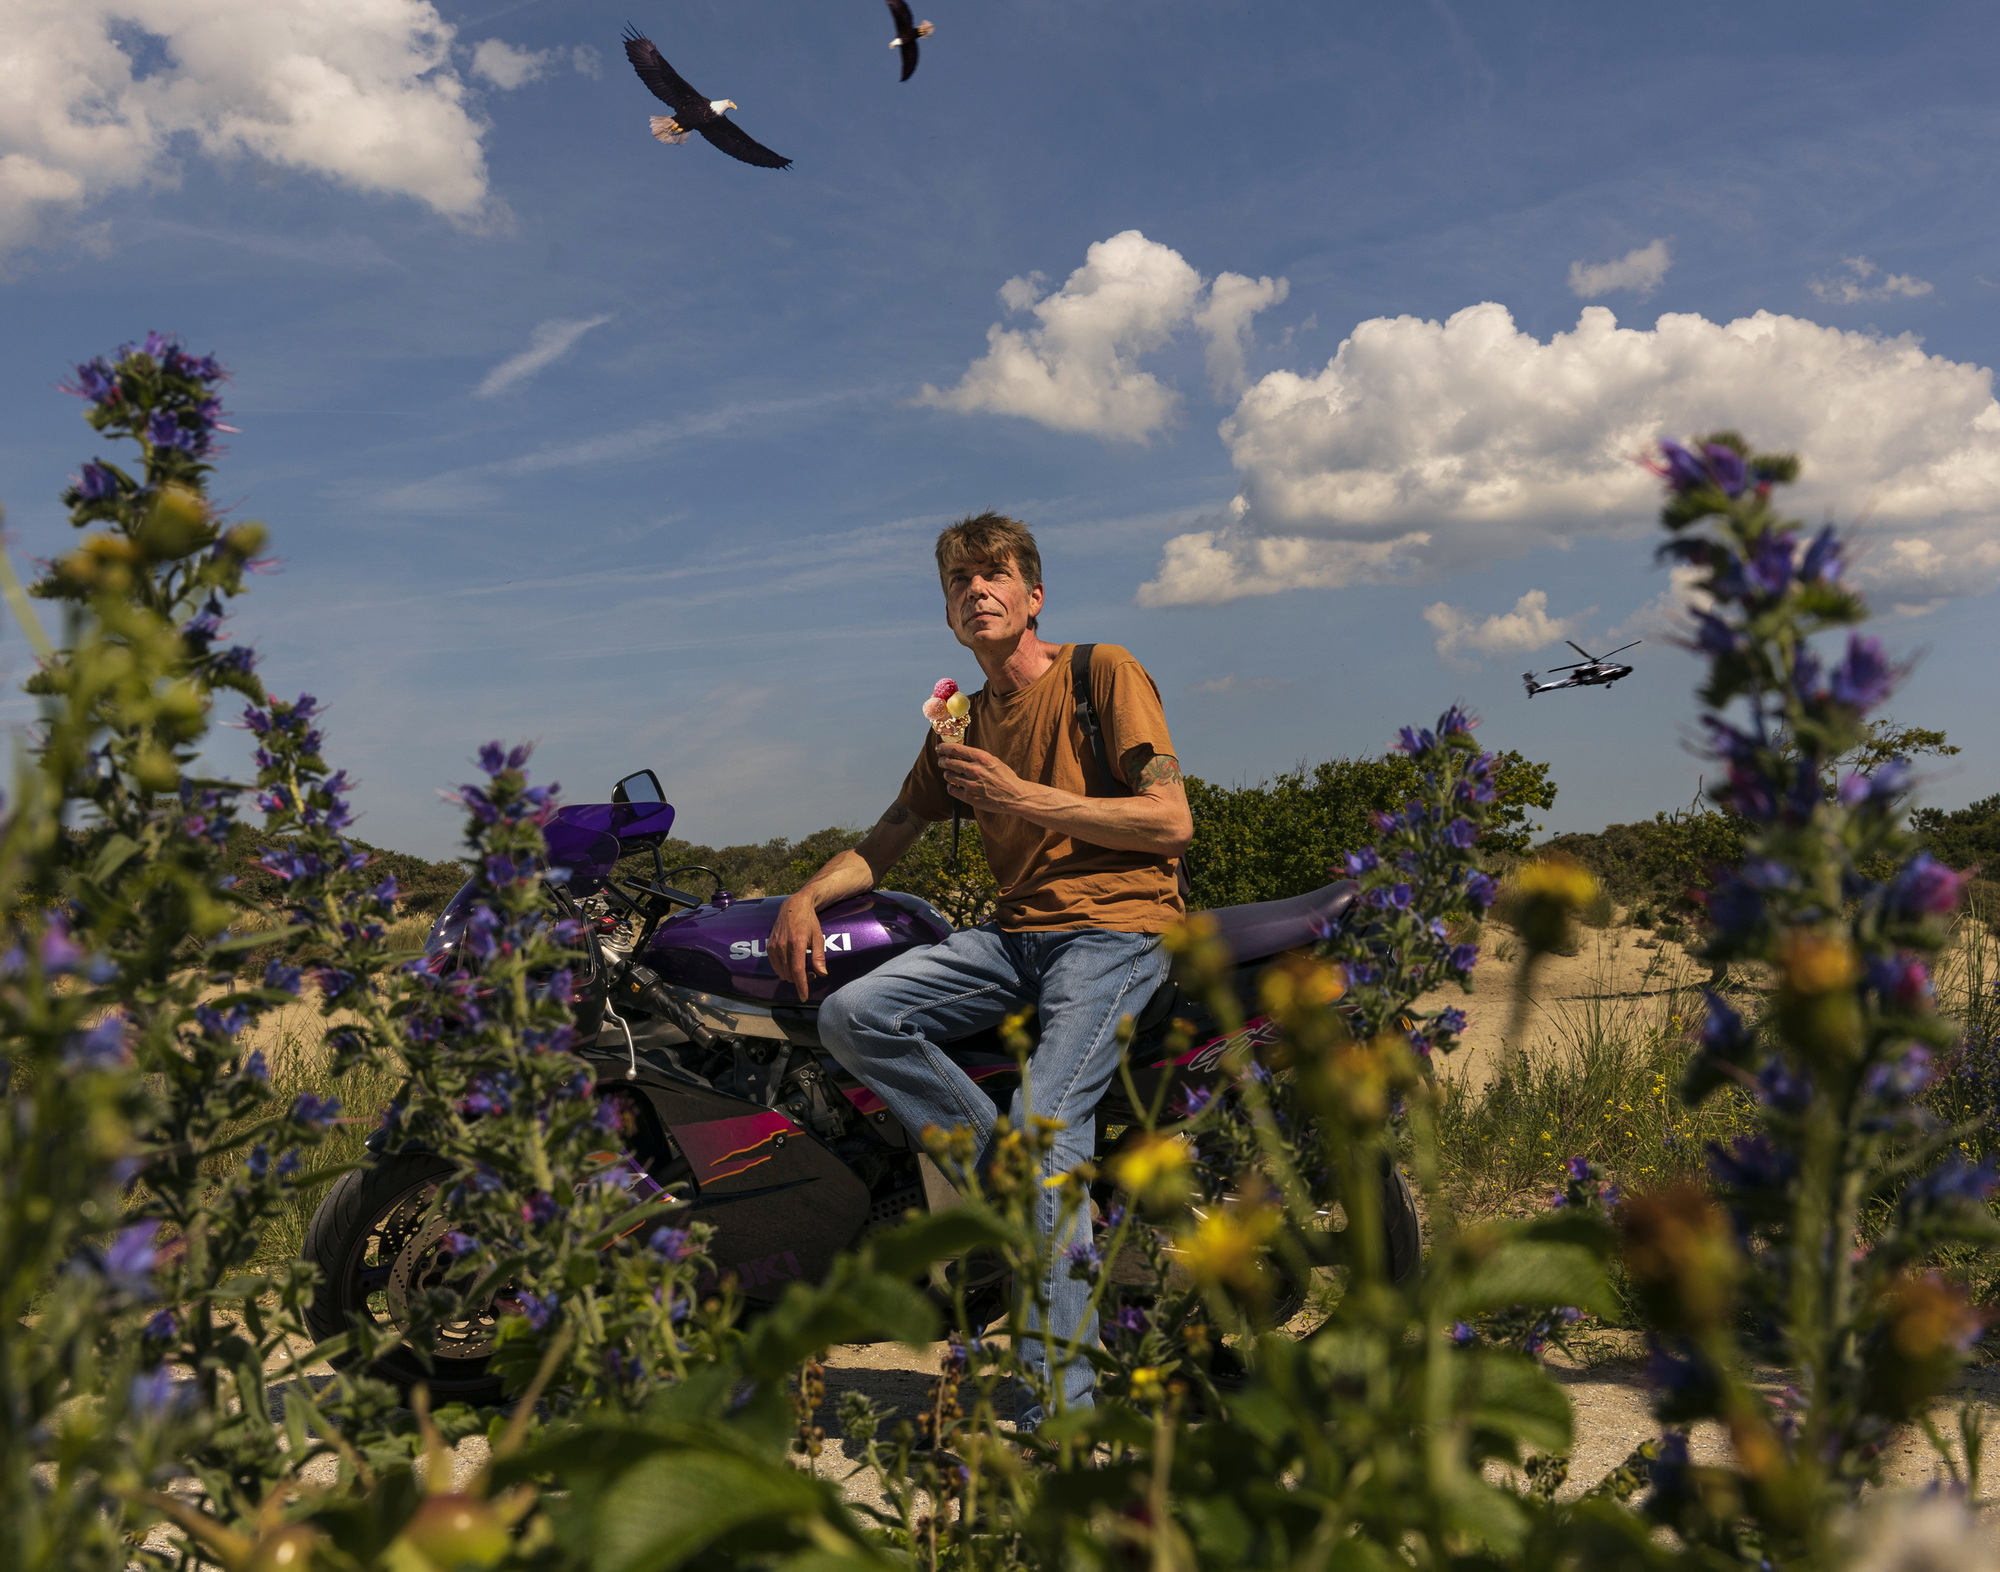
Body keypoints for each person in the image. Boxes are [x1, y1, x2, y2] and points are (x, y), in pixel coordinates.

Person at [768, 511, 1192, 1423]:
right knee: (853, 1016)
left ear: (1033, 596)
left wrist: (1021, 797)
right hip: (1014, 939)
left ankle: (1060, 1413)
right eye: (959, 582)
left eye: (994, 574)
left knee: (1047, 1130)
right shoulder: (959, 721)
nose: (976, 591)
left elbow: (1170, 820)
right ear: (949, 614)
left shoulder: (1101, 671)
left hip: (1116, 931)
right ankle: (1016, 1190)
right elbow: (891, 835)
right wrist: (804, 897)